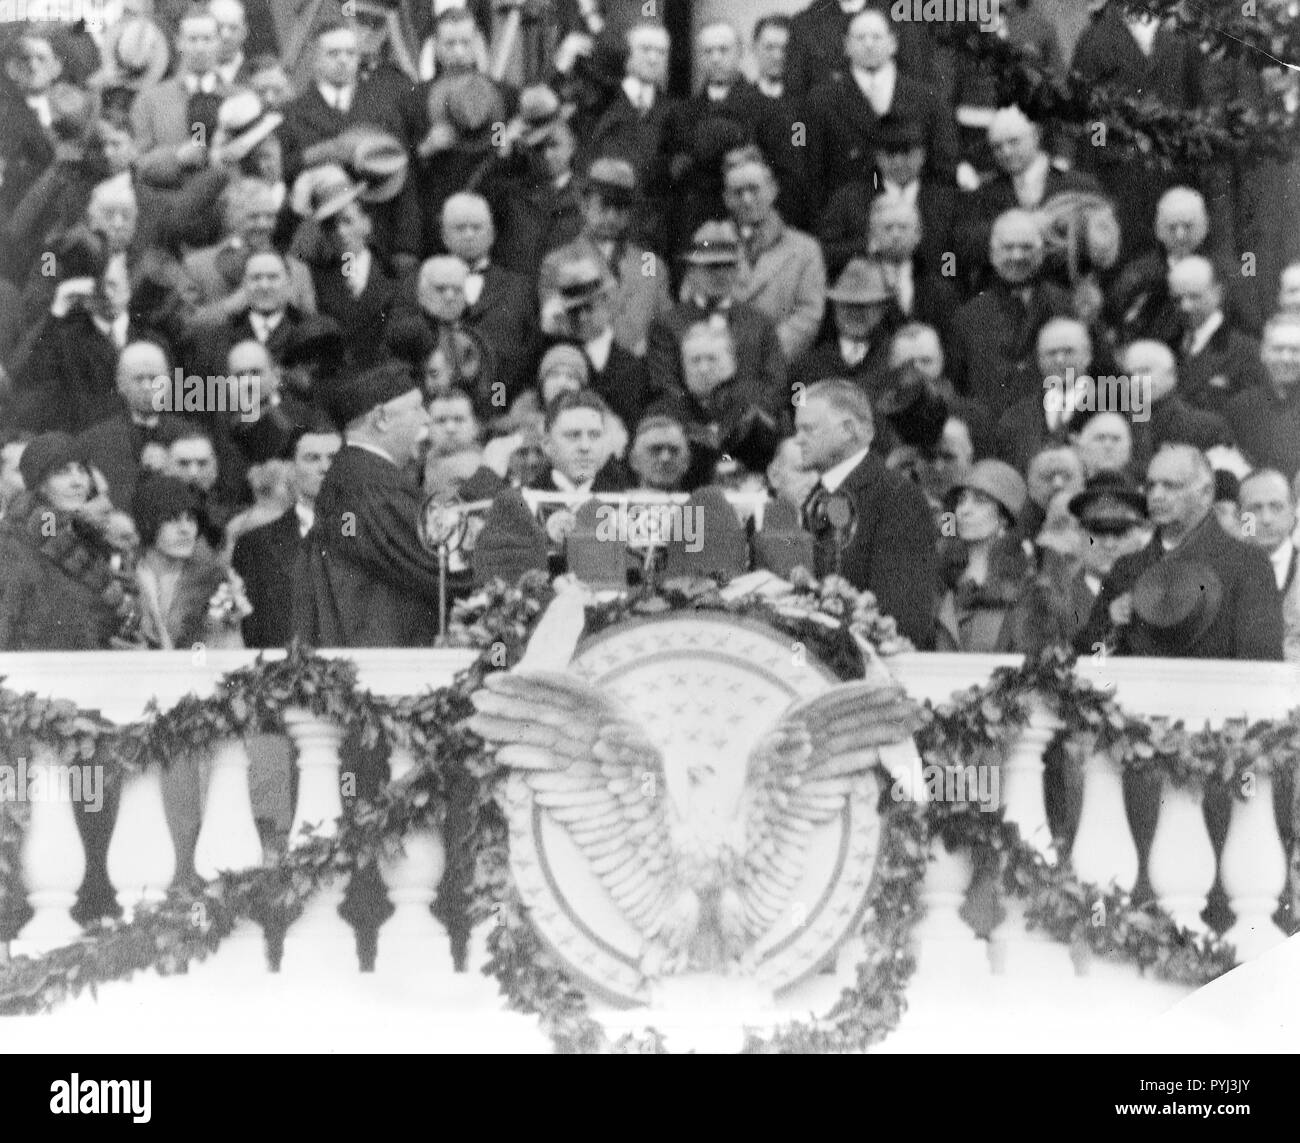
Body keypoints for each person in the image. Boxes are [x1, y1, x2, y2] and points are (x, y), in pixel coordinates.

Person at [1077, 444, 1282, 660]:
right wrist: (1109, 622)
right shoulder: (1127, 567)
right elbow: (1086, 658)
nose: (1156, 496)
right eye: (1151, 486)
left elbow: (1261, 665)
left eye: (1170, 486)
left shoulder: (1247, 564)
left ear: (1205, 493)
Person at [793, 377, 938, 647]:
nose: (797, 440)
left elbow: (902, 617)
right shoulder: (817, 497)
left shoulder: (896, 496)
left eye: (808, 429)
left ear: (848, 429)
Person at [0, 432, 140, 651]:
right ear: (40, 484)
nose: (77, 482)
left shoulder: (87, 538)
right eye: (62, 472)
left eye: (82, 470)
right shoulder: (13, 543)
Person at [232, 422, 341, 649]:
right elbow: (252, 631)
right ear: (291, 468)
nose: (324, 468)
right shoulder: (255, 545)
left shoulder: (366, 535)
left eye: (333, 458)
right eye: (312, 458)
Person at [723, 146, 826, 362]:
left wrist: (762, 353)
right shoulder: (711, 242)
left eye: (754, 189)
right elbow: (693, 302)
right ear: (727, 199)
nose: (747, 199)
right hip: (721, 363)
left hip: (778, 367)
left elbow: (808, 316)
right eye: (738, 192)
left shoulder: (805, 250)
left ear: (772, 190)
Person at [934, 460, 1035, 653]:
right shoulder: (938, 572)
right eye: (961, 500)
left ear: (1004, 517)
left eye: (980, 501)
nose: (964, 510)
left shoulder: (1024, 581)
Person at [1169, 256, 1267, 413]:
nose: (1185, 306)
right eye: (1177, 299)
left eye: (1195, 297)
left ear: (1217, 293)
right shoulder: (1164, 343)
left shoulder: (1246, 351)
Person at [1225, 315, 1300, 480]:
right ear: (1264, 353)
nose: (1286, 358)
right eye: (1278, 349)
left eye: (1295, 350)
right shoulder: (1240, 407)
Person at [1238, 469, 1300, 662]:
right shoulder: (1225, 571)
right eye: (1255, 509)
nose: (1266, 519)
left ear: (1292, 512)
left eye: (1276, 507)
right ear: (1241, 517)